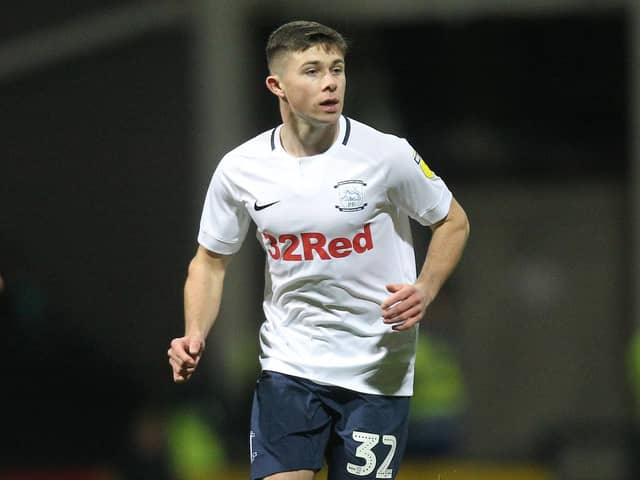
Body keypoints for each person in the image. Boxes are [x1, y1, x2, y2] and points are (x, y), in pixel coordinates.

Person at [168, 20, 470, 480]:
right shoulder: (241, 169)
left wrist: (425, 289)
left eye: (337, 69)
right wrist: (195, 332)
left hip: (376, 373)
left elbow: (452, 220)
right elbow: (210, 261)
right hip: (290, 365)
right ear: (277, 85)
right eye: (311, 71)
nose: (330, 82)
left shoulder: (385, 155)